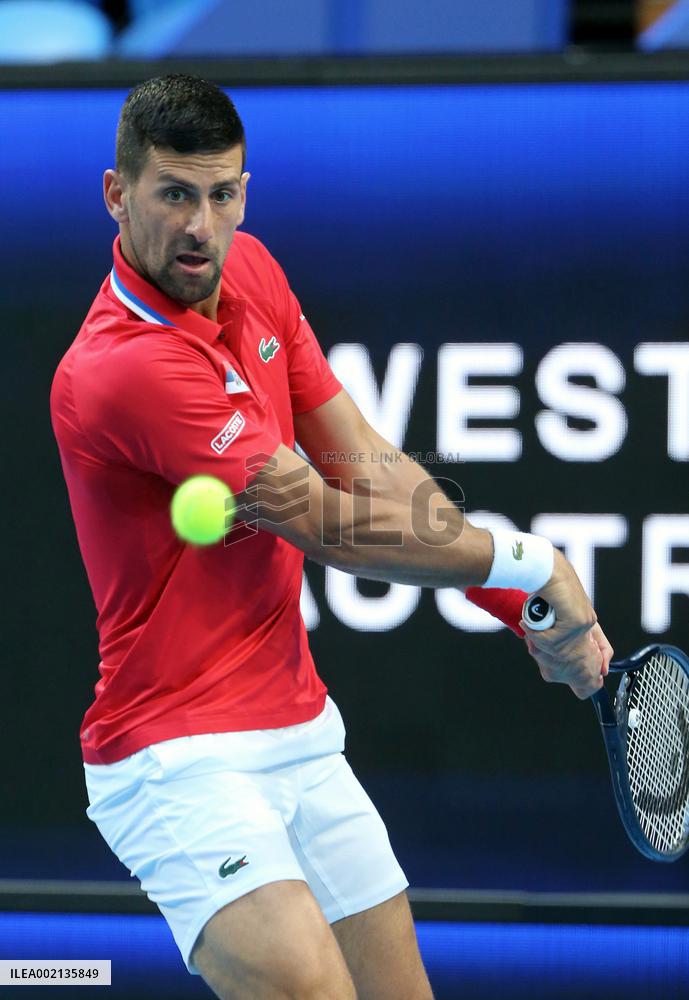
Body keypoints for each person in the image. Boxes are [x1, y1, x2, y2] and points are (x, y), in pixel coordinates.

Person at [50, 75, 612, 1000]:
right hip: (175, 757)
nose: (201, 226)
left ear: (245, 191)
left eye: (222, 194)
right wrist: (526, 559)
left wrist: (513, 600)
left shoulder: (256, 273)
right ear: (118, 195)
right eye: (174, 194)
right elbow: (328, 525)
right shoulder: (122, 368)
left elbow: (366, 464)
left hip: (301, 734)